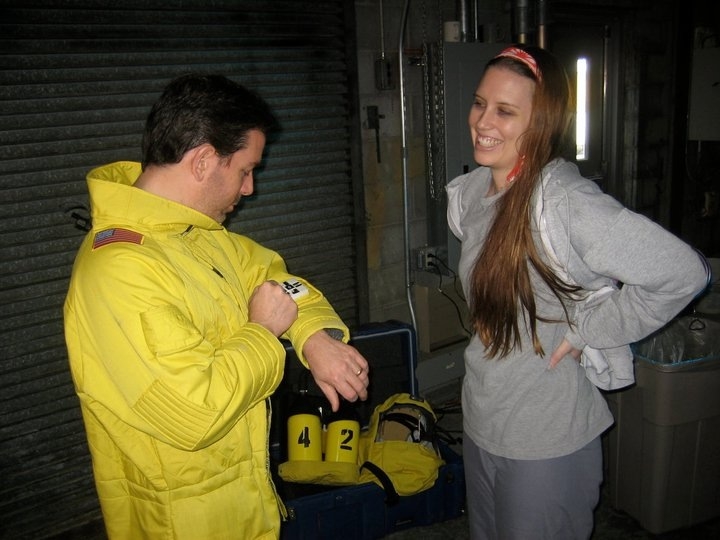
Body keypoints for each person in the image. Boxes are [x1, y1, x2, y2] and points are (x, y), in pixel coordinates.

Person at [63, 74, 370, 540]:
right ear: (204, 160)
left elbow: (281, 282)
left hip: (242, 508)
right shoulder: (118, 271)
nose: (249, 190)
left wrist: (312, 337)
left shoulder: (195, 237)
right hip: (182, 525)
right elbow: (195, 414)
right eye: (246, 170)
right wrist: (265, 333)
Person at [446, 45, 708, 539]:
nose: (484, 120)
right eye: (480, 103)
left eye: (506, 111)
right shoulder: (471, 195)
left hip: (547, 439)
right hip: (483, 421)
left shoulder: (565, 202)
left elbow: (681, 272)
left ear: (540, 122)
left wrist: (590, 328)